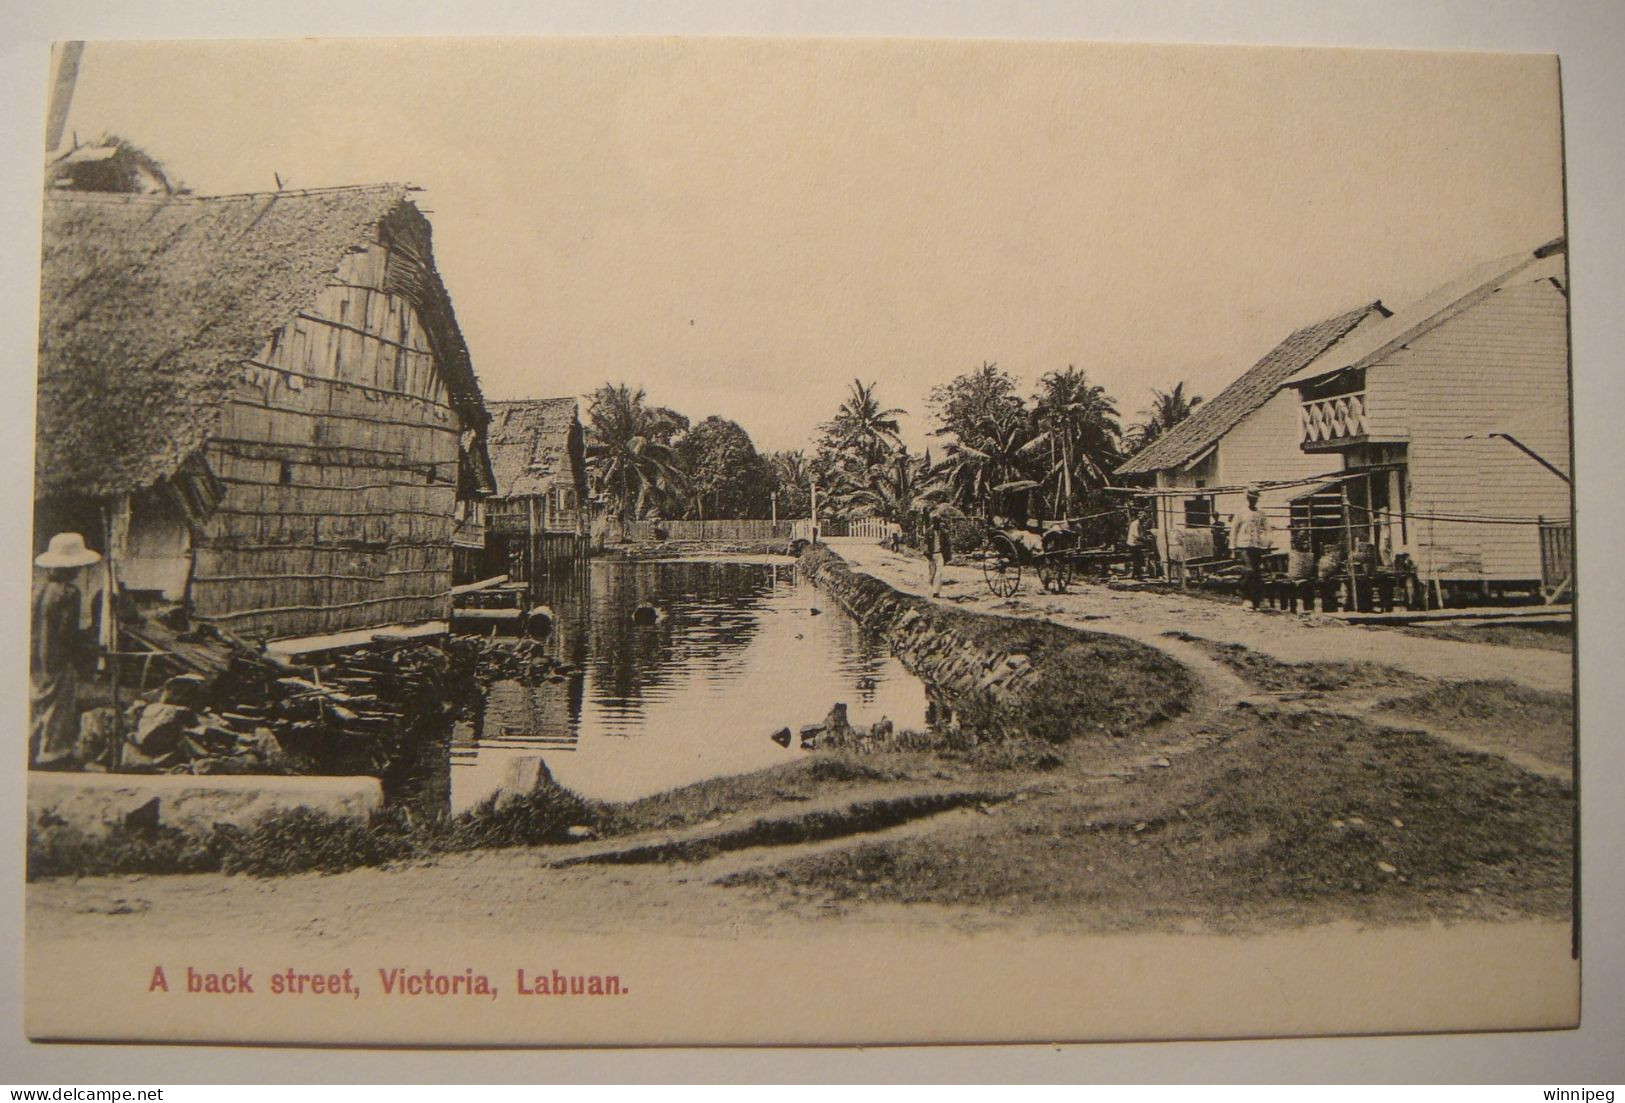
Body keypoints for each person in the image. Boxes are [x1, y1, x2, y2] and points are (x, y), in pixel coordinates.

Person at [31, 532, 102, 770]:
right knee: (59, 707)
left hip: (35, 657)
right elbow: (66, 634)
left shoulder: (37, 590)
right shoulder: (69, 594)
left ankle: (32, 749)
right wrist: (86, 649)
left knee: (36, 702)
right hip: (56, 657)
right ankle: (53, 755)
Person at [1231, 484, 1273, 610]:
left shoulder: (1261, 513)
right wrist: (1232, 548)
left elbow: (1268, 529)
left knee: (1256, 573)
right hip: (1243, 545)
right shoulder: (1241, 512)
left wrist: (1267, 542)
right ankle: (1244, 595)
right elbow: (1234, 530)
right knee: (1249, 570)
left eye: (1255, 498)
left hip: (1256, 545)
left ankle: (1256, 601)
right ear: (1247, 498)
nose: (1253, 500)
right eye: (1250, 498)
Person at [924, 508, 953, 598]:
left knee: (939, 573)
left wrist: (948, 555)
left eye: (938, 521)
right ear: (933, 522)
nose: (937, 523)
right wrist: (926, 552)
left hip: (940, 554)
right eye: (935, 521)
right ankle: (931, 589)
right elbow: (925, 542)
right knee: (932, 573)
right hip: (932, 554)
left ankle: (936, 592)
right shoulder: (928, 531)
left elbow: (947, 543)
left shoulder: (942, 532)